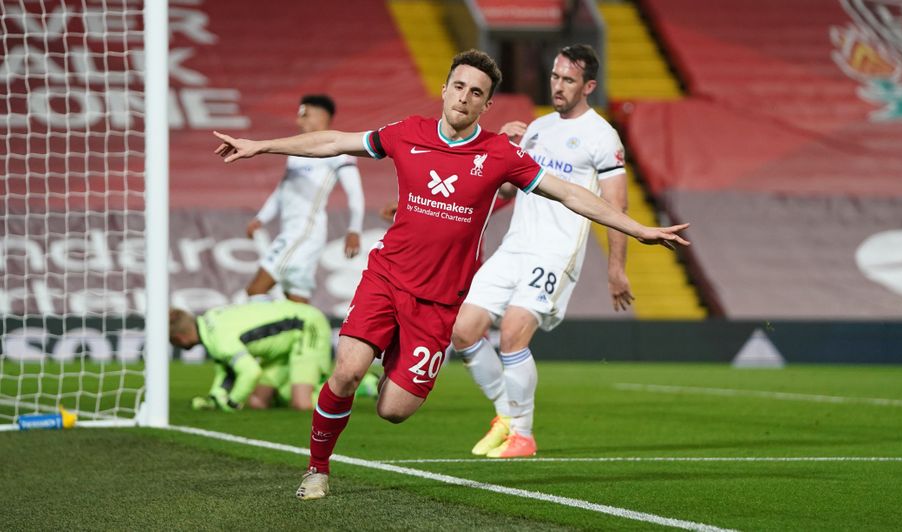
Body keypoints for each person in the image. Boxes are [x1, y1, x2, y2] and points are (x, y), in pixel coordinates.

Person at [212, 49, 689, 500]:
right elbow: (334, 141)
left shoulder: (501, 155)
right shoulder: (406, 132)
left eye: (475, 92)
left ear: (486, 104)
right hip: (387, 277)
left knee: (393, 411)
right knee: (347, 371)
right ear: (444, 89)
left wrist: (638, 229)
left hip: (439, 302)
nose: (464, 97)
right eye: (458, 86)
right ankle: (317, 469)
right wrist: (261, 146)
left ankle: (397, 354)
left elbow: (570, 194)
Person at [449, 45, 635, 459]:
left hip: (555, 252)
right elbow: (510, 189)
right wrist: (503, 149)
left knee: (513, 332)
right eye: (554, 76)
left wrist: (616, 268)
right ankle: (506, 416)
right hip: (515, 247)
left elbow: (616, 207)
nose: (558, 86)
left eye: (568, 80)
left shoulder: (602, 138)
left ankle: (524, 435)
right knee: (462, 329)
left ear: (588, 86)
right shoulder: (535, 128)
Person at [245, 94, 365, 303]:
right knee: (296, 300)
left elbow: (355, 192)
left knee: (255, 291)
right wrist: (262, 217)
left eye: (304, 115)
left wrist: (354, 229)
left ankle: (264, 334)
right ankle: (307, 335)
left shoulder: (339, 151)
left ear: (321, 117)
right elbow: (283, 189)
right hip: (294, 230)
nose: (298, 121)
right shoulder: (297, 150)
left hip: (303, 231)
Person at [169, 298, 376, 412]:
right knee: (258, 402)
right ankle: (303, 385)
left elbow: (250, 371)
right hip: (283, 345)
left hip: (306, 326)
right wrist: (217, 397)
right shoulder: (209, 322)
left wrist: (232, 402)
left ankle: (363, 385)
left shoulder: (218, 340)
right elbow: (227, 369)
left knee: (301, 403)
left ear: (179, 337)